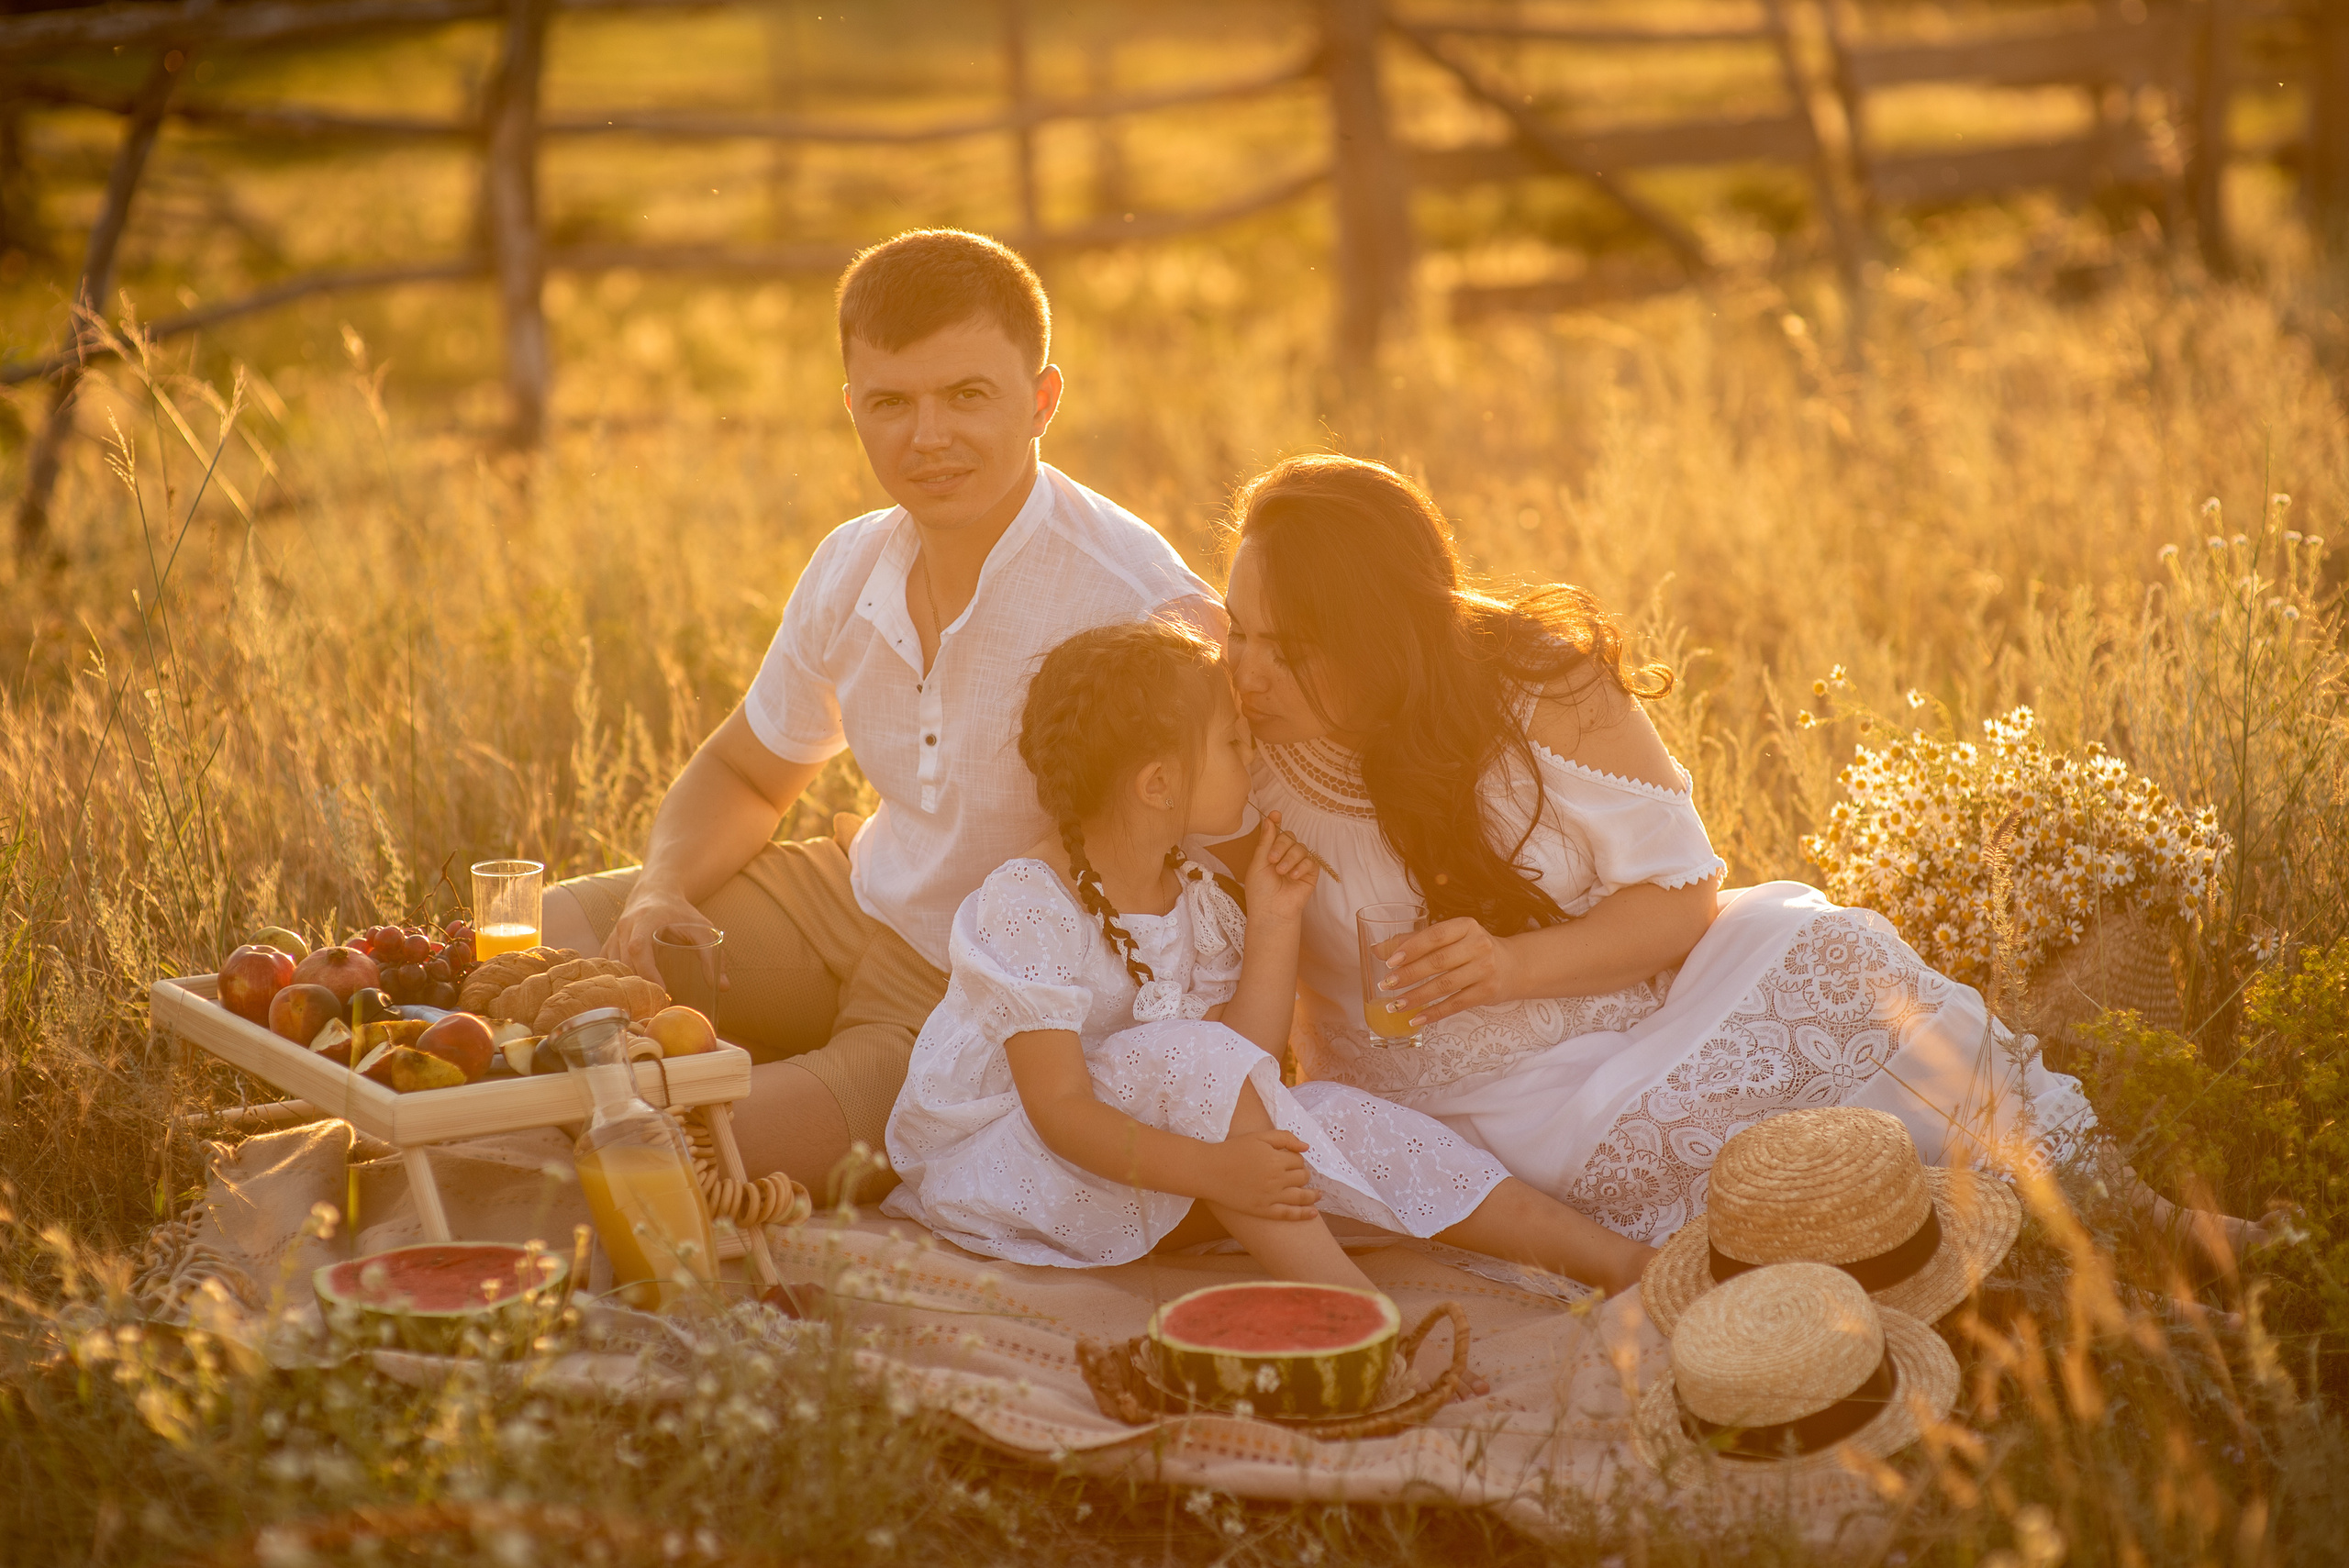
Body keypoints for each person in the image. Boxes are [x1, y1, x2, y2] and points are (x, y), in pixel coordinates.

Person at [1209, 453, 2099, 1245]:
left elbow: (1679, 906)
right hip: (1453, 1116)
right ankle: (1938, 1233)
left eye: (1287, 651)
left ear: (1377, 639)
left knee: (1845, 954)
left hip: (1633, 1019)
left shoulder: (1538, 683)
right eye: (1236, 631)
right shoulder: (1233, 751)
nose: (1247, 673)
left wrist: (1509, 966)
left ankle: (2103, 1199)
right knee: (1713, 1144)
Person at [541, 230, 1219, 1197]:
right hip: (855, 899)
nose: (926, 437)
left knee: (682, 1150)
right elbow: (747, 772)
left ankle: (737, 1089)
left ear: (1042, 400)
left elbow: (1218, 857)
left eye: (967, 396)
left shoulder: (1139, 604)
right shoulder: (851, 561)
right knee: (537, 933)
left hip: (988, 989)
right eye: (891, 402)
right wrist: (658, 889)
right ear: (850, 405)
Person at [883, 620, 1656, 1294]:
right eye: (1232, 743)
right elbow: (1061, 1112)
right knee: (1197, 1065)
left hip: (1153, 1166)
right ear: (1158, 784)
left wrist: (1276, 919)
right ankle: (1356, 1313)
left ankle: (1619, 1263)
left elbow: (1239, 1064)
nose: (1251, 757)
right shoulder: (1029, 900)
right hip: (1021, 1170)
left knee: (1346, 1120)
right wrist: (1217, 1173)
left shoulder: (1200, 893)